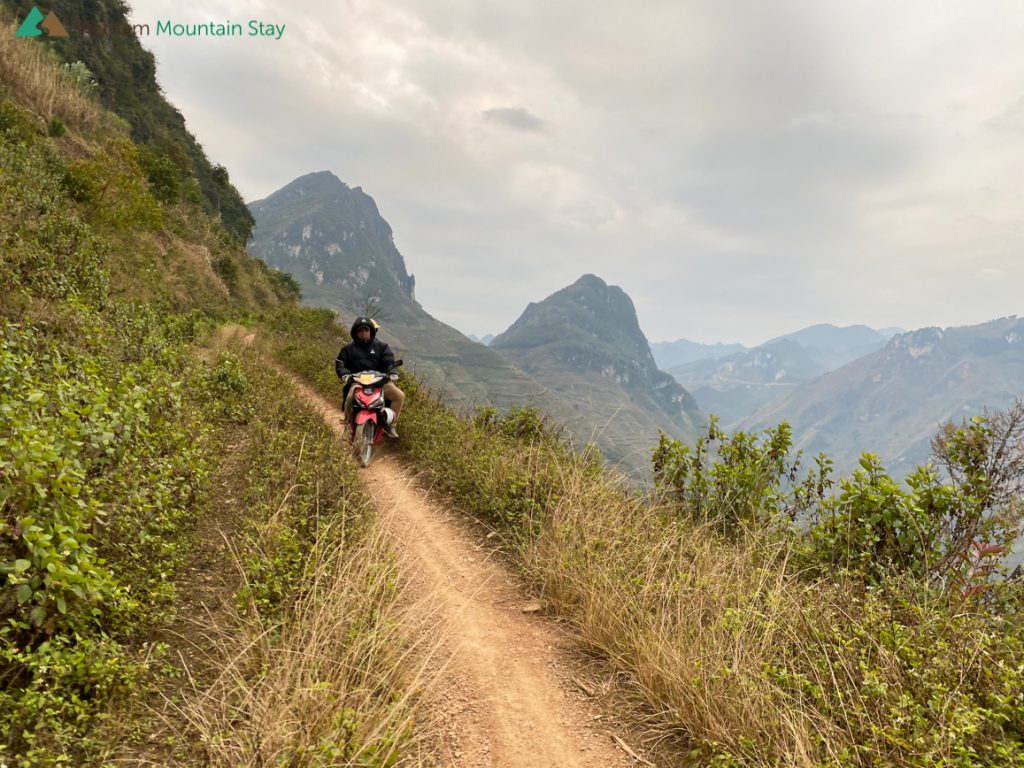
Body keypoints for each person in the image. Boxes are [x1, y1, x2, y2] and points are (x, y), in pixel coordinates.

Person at [335, 316, 404, 438]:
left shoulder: (382, 347)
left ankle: (391, 426)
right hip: (358, 382)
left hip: (380, 382)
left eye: (366, 330)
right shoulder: (348, 349)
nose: (363, 333)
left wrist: (392, 372)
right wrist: (345, 374)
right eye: (360, 331)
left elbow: (389, 362)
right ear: (355, 332)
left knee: (399, 395)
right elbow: (340, 364)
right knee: (350, 395)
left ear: (371, 331)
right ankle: (347, 425)